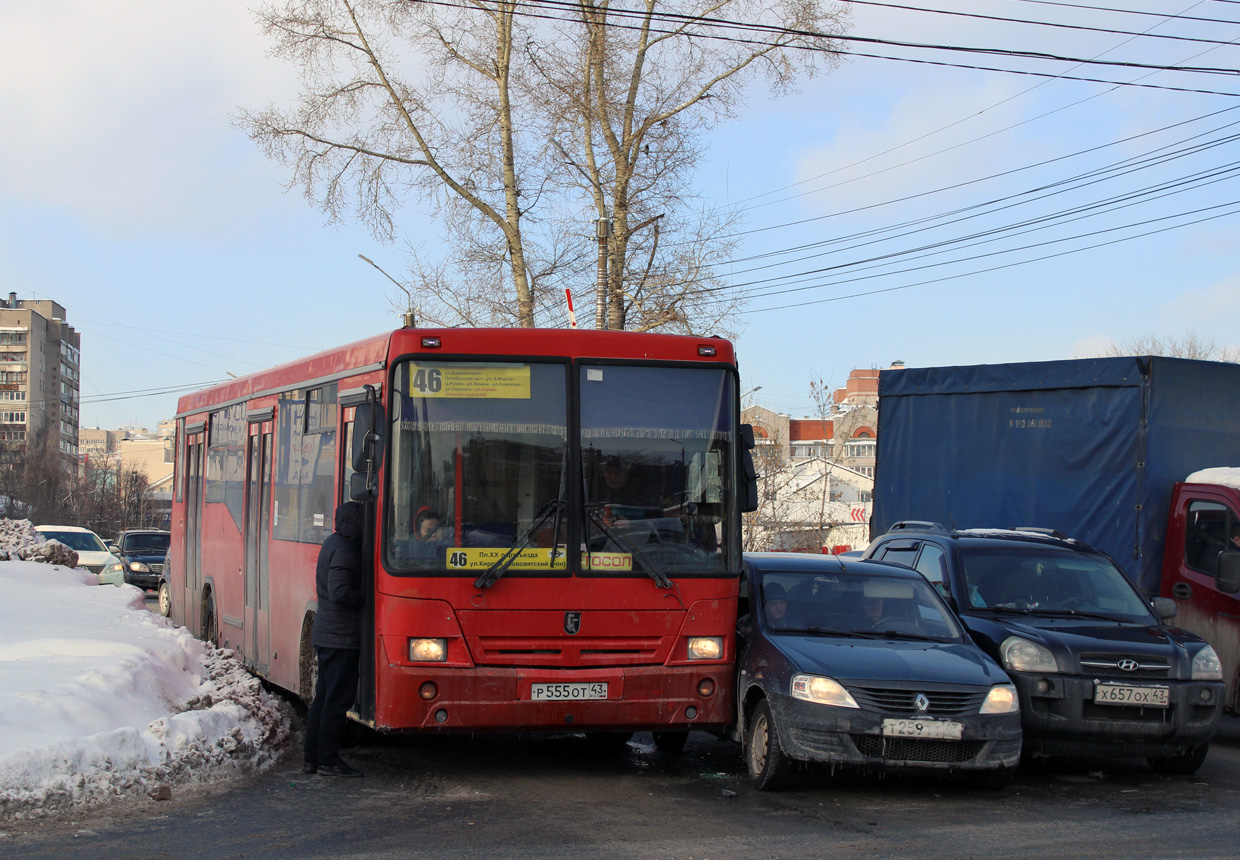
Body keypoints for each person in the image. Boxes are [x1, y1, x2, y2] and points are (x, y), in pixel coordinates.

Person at [304, 501, 366, 778]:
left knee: (323, 698)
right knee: (336, 702)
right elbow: (340, 592)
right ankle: (328, 760)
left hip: (329, 635)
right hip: (340, 637)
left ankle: (312, 759)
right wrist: (367, 599)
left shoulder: (332, 542)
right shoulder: (345, 550)